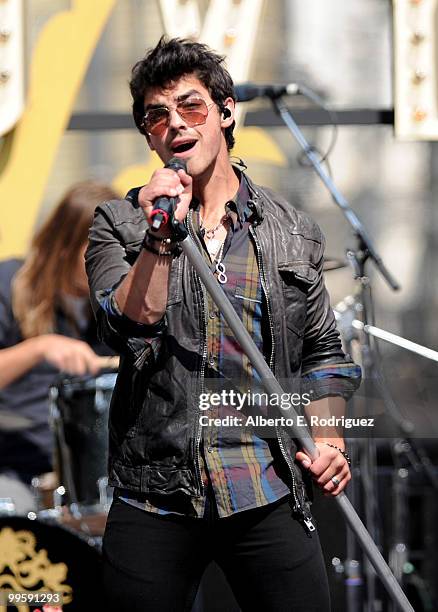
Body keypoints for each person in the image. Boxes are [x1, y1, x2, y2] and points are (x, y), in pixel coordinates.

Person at [86, 37, 362, 611]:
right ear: (148, 136)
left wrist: (330, 434)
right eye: (156, 116)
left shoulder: (292, 230)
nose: (174, 125)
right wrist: (161, 235)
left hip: (260, 483)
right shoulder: (119, 222)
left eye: (191, 106)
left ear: (226, 111)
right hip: (156, 492)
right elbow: (125, 324)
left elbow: (324, 355)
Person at [0, 180, 120, 514]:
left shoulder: (118, 308)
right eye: (98, 250)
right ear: (65, 246)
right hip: (17, 471)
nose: (111, 261)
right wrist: (38, 348)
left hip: (101, 476)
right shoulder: (9, 285)